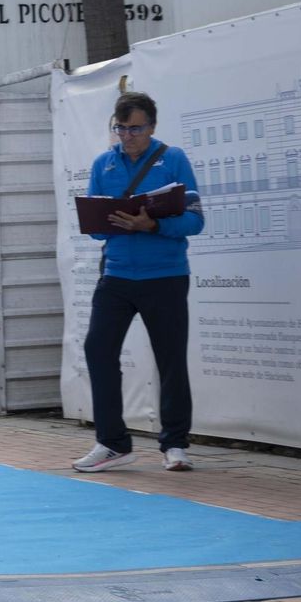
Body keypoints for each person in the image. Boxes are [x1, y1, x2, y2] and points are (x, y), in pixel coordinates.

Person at [72, 92, 204, 474]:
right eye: (121, 129)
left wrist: (153, 224)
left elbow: (195, 220)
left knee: (171, 359)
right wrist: (107, 221)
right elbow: (95, 230)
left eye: (136, 129)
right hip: (116, 275)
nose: (128, 136)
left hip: (165, 275)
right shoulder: (104, 164)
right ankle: (113, 443)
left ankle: (175, 444)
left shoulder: (173, 159)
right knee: (98, 349)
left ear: (152, 127)